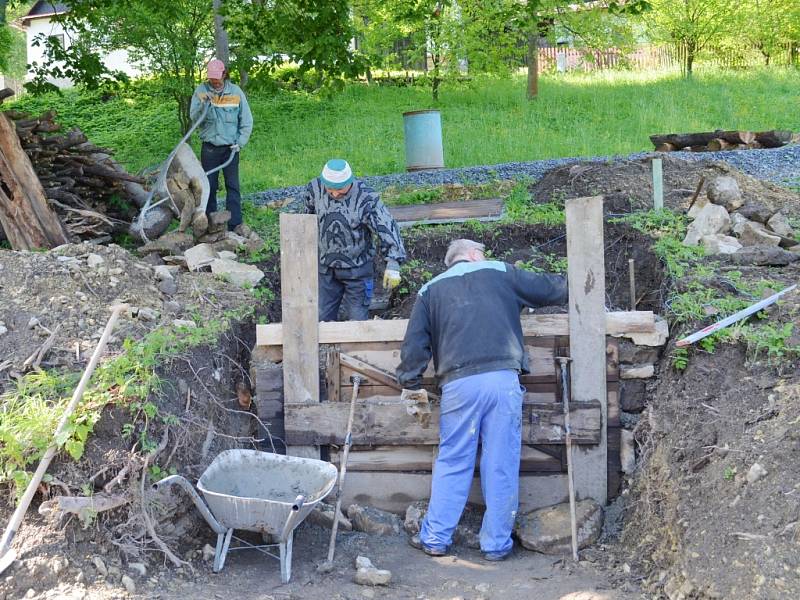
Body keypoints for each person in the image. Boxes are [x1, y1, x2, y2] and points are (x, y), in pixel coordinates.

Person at [396, 239, 568, 561]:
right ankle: (496, 545)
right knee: (500, 463)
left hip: (459, 385)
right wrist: (578, 283)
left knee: (453, 460)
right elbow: (549, 289)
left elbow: (414, 346)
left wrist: (411, 382)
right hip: (503, 379)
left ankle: (434, 538)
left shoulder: (429, 291)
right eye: (482, 254)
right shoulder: (499, 271)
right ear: (474, 255)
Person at [290, 159, 406, 322]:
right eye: (330, 190)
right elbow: (304, 221)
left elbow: (386, 226)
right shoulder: (315, 189)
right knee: (321, 320)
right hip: (326, 271)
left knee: (357, 323)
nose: (335, 194)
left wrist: (394, 262)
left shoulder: (366, 198)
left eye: (340, 190)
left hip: (358, 271)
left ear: (349, 182)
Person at [189, 58, 253, 234]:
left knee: (233, 185)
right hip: (209, 148)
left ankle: (235, 225)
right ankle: (211, 224)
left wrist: (240, 143)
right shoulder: (201, 91)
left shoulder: (236, 92)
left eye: (217, 78)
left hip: (230, 149)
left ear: (224, 74)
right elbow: (194, 118)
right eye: (212, 78)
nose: (214, 81)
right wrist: (204, 104)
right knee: (209, 186)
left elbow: (246, 121)